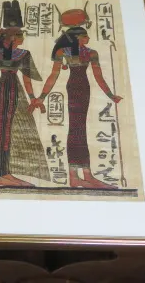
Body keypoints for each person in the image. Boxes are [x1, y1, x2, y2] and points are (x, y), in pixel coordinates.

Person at [30, 27, 122, 189]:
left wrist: (110, 95)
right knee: (75, 128)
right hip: (74, 88)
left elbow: (98, 76)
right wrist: (42, 97)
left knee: (80, 128)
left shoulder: (92, 53)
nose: (88, 38)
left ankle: (83, 175)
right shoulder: (63, 52)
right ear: (76, 38)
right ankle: (78, 176)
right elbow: (53, 75)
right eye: (85, 36)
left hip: (84, 89)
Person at [0, 2, 49, 187]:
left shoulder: (20, 53)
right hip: (8, 89)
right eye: (20, 34)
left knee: (5, 130)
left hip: (10, 89)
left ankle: (3, 173)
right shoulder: (1, 53)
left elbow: (27, 80)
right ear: (13, 37)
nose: (23, 37)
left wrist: (33, 99)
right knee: (1, 129)